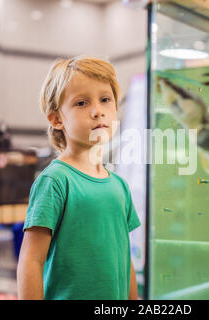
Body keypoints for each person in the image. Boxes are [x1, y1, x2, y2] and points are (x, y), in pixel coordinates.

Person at [17, 56, 141, 300]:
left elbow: (124, 259)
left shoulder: (119, 185)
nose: (97, 111)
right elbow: (31, 261)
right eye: (82, 103)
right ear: (56, 119)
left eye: (105, 100)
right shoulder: (55, 181)